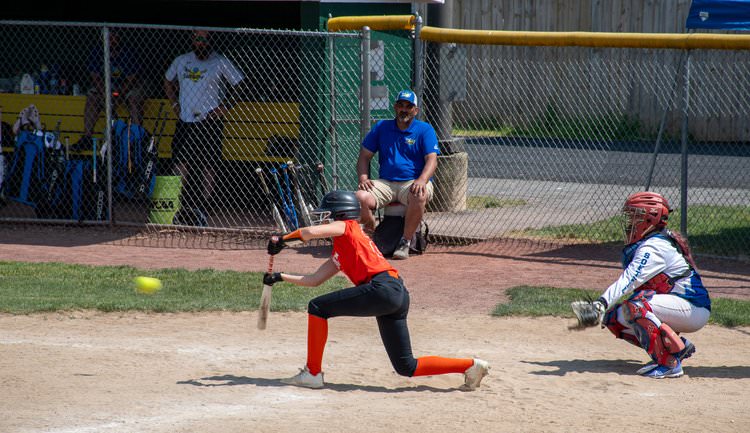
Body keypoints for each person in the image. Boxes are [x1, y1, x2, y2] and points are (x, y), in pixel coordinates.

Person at [264, 190, 490, 390]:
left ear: (340, 214)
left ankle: (312, 373)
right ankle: (470, 366)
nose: (326, 218)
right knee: (406, 365)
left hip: (383, 288)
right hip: (396, 294)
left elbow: (310, 232)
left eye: (329, 214)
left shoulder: (348, 226)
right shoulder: (342, 249)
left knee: (317, 307)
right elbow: (314, 280)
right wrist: (279, 277)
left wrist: (282, 239)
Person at [592, 191, 711, 379]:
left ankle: (669, 363)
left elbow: (630, 280)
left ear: (649, 219)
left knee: (636, 306)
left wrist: (601, 303)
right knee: (615, 318)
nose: (630, 222)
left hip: (692, 308)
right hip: (678, 305)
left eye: (635, 217)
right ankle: (676, 346)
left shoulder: (654, 247)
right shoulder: (652, 241)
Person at [164, 30, 245, 226]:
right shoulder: (182, 60)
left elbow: (241, 84)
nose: (200, 43)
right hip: (185, 118)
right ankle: (180, 204)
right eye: (197, 39)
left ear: (210, 42)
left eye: (204, 40)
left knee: (208, 164)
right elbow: (167, 80)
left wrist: (225, 107)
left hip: (209, 120)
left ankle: (203, 206)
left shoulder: (220, 61)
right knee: (181, 162)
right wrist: (174, 104)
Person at [355, 89, 439, 260]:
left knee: (419, 194)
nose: (404, 109)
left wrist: (422, 180)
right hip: (386, 182)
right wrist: (363, 178)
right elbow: (364, 156)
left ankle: (405, 242)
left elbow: (432, 160)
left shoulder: (425, 130)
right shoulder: (382, 127)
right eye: (400, 105)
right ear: (395, 107)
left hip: (412, 183)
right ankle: (371, 233)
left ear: (416, 110)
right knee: (360, 196)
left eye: (409, 106)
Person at [76, 30, 144, 149]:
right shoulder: (97, 52)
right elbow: (95, 78)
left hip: (127, 87)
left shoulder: (128, 52)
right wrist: (106, 94)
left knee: (134, 98)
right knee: (92, 96)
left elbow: (131, 80)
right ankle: (87, 138)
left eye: (114, 37)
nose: (111, 41)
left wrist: (118, 95)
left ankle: (136, 139)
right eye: (108, 37)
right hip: (107, 87)